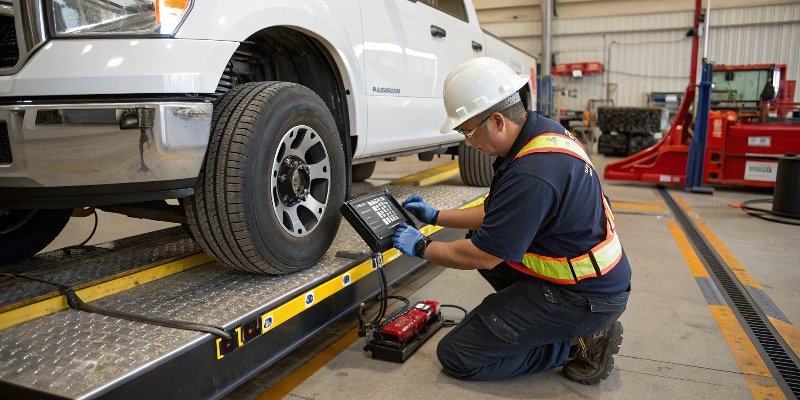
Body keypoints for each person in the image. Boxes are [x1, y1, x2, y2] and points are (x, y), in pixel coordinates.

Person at [391, 57, 632, 385]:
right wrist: (436, 216)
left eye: (468, 131)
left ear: (498, 121)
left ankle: (577, 345)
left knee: (459, 355)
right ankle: (557, 324)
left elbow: (484, 255)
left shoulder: (532, 174)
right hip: (589, 282)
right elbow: (497, 214)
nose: (468, 142)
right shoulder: (540, 136)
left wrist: (423, 247)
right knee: (480, 233)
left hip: (584, 297)